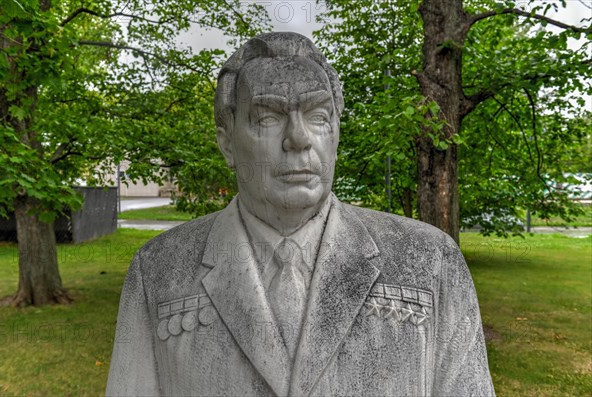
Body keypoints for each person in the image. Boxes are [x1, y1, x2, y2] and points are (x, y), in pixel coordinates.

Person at [106, 32, 495, 397]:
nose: (298, 138)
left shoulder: (430, 261)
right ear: (227, 142)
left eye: (318, 115)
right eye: (268, 117)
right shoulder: (157, 270)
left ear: (336, 132)